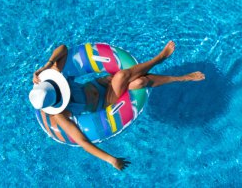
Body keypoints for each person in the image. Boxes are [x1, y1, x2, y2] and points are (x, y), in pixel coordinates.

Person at [29, 41, 205, 170]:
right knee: (130, 80)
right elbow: (82, 141)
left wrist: (47, 65)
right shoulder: (60, 115)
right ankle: (164, 62)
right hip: (106, 100)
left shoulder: (53, 79)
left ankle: (174, 72)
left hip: (101, 83)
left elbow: (63, 48)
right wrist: (111, 160)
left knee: (134, 81)